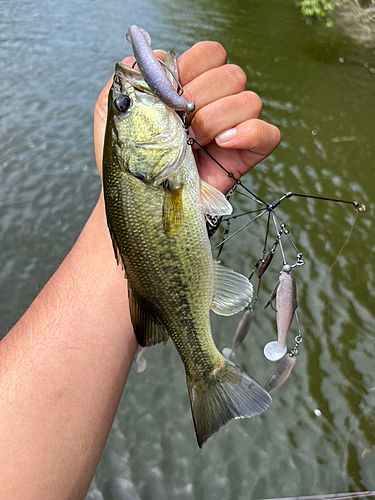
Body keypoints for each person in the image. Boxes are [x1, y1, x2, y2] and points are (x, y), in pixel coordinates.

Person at [0, 41, 280, 499]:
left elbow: (142, 230)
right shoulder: (151, 170)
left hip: (170, 197)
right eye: (126, 105)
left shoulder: (154, 169)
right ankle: (206, 371)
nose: (126, 94)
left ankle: (206, 371)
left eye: (122, 104)